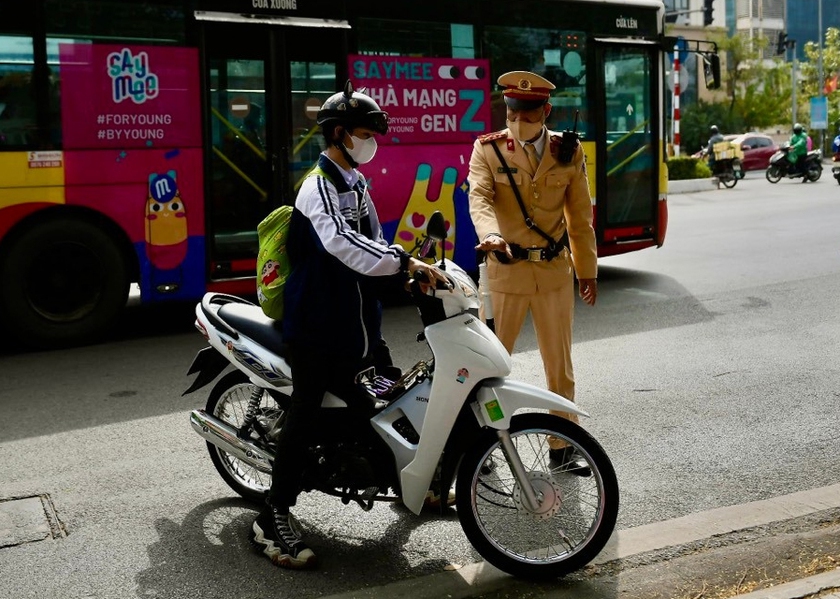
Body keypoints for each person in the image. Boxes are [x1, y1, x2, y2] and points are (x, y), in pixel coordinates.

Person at [251, 81, 448, 570]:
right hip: (317, 325)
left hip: (357, 323)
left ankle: (408, 481)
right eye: (363, 133)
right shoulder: (317, 186)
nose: (370, 143)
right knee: (307, 414)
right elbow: (343, 245)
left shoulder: (356, 184)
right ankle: (271, 515)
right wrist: (403, 265)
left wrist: (408, 274)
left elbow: (375, 244)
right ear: (338, 135)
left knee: (389, 396)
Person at [468, 71, 597, 475]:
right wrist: (490, 236)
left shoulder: (568, 152)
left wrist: (587, 270)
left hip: (555, 272)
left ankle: (563, 446)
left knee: (559, 366)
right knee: (490, 364)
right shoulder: (488, 150)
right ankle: (480, 445)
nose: (518, 121)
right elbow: (481, 197)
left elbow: (580, 217)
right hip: (506, 272)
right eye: (511, 112)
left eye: (527, 113)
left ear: (546, 111)